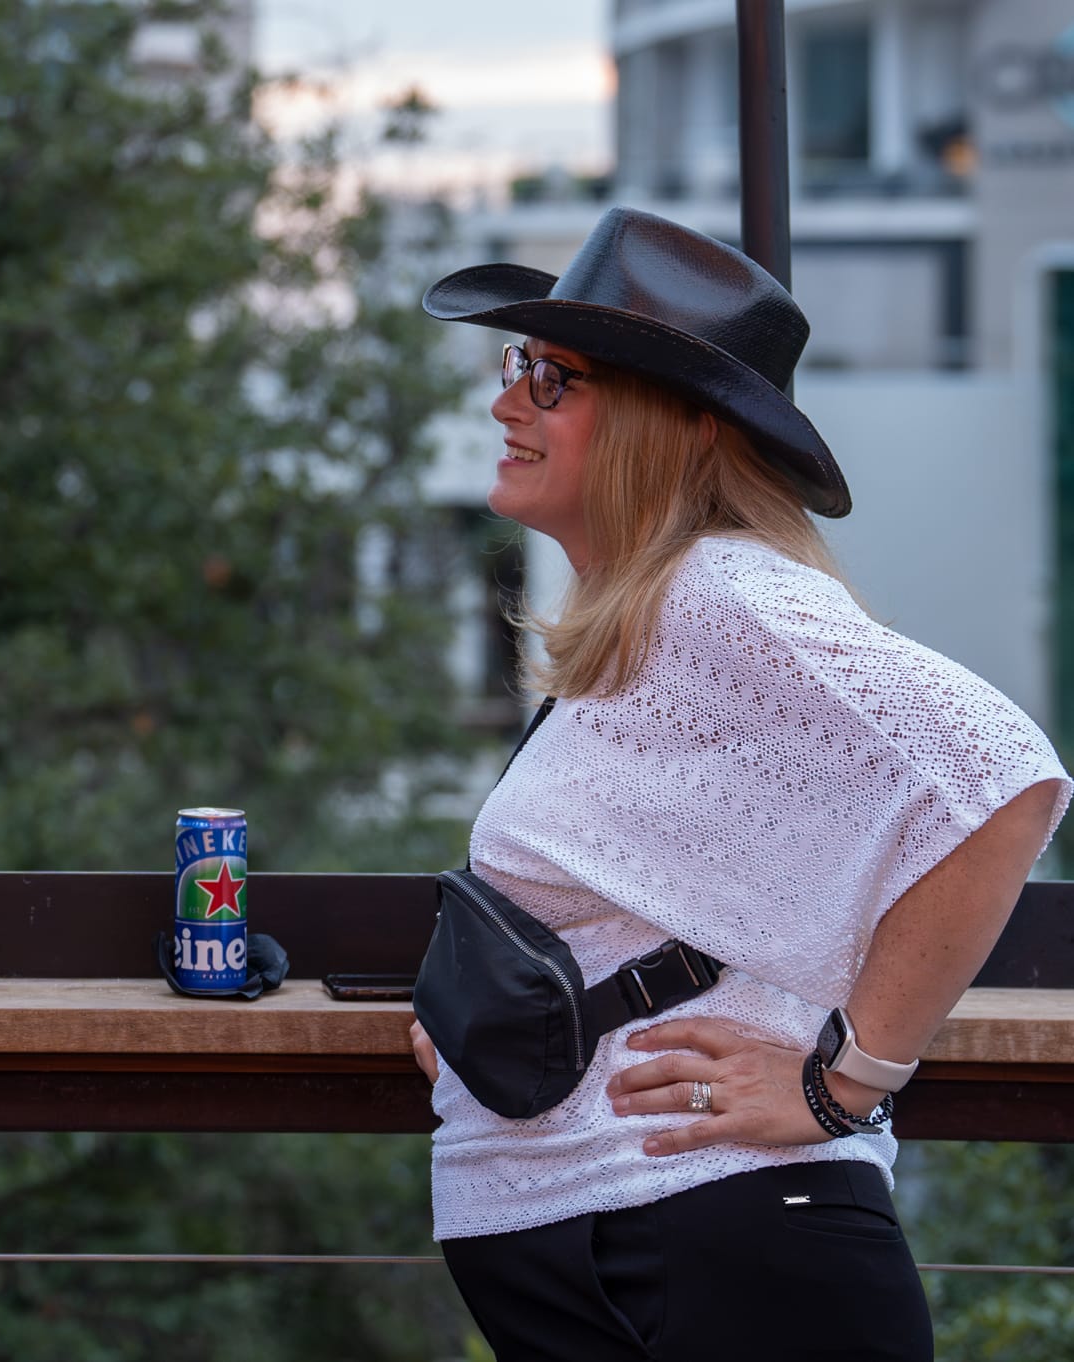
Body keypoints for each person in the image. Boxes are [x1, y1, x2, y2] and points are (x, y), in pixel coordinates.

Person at [409, 206, 1069, 1361]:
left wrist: (844, 1083)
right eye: (519, 365)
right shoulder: (648, 628)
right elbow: (655, 910)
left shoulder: (717, 595)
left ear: (681, 431)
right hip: (642, 1247)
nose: (508, 401)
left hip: (722, 1244)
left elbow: (999, 773)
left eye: (554, 378)